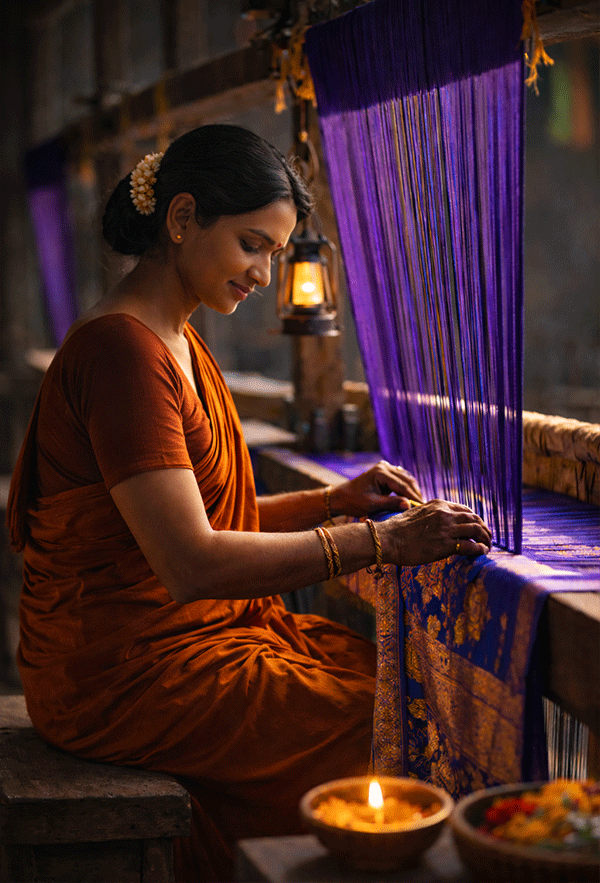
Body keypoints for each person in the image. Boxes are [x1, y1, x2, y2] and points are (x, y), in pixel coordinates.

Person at [7, 124, 491, 882]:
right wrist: (381, 543)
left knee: (379, 676)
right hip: (116, 672)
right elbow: (192, 562)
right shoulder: (124, 354)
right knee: (379, 716)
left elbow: (199, 523)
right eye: (253, 245)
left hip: (174, 643)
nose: (265, 274)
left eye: (272, 251)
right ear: (181, 219)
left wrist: (334, 500)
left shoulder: (176, 340)